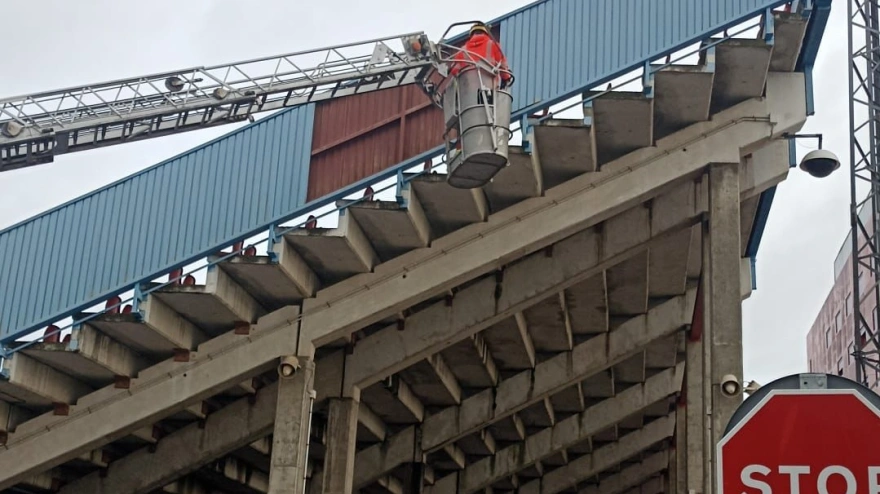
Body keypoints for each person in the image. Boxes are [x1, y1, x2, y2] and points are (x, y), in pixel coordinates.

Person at [449, 23, 512, 89]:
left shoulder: (462, 50)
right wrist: (506, 77)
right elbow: (502, 66)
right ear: (486, 33)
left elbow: (454, 71)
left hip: (468, 90)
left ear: (471, 35)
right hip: (490, 90)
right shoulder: (493, 45)